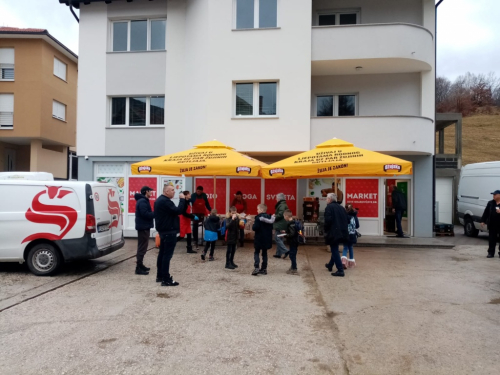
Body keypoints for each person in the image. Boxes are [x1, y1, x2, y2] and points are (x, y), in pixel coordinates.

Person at [154, 185, 186, 286]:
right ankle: (166, 279)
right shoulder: (165, 201)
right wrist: (182, 200)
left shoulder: (160, 200)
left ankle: (160, 276)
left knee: (162, 254)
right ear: (166, 191)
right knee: (166, 256)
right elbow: (178, 211)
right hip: (168, 231)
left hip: (165, 231)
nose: (174, 192)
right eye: (172, 190)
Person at [324, 193, 349, 277]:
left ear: (330, 199)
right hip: (342, 232)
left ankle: (340, 270)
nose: (326, 200)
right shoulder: (341, 208)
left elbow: (328, 221)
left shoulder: (329, 207)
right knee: (334, 248)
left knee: (334, 250)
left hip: (333, 232)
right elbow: (347, 219)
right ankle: (330, 265)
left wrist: (325, 230)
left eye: (327, 198)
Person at [134, 186, 155, 275]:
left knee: (143, 246)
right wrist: (155, 213)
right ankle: (138, 267)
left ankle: (141, 265)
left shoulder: (143, 200)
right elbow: (145, 214)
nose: (151, 192)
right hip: (143, 227)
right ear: (146, 191)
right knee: (142, 247)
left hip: (144, 226)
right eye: (150, 191)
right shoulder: (142, 201)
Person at [252, 204, 274, 276]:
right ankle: (264, 269)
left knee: (256, 252)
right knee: (264, 253)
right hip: (266, 238)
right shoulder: (270, 218)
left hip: (259, 238)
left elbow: (255, 228)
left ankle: (256, 268)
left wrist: (253, 224)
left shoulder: (258, 218)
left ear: (261, 210)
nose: (257, 211)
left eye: (257, 209)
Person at [190, 186, 212, 250]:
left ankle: (207, 239)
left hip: (202, 213)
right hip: (195, 214)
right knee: (195, 227)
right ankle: (195, 240)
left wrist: (211, 210)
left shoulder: (204, 195)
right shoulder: (193, 195)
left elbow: (207, 204)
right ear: (196, 190)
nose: (198, 192)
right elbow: (189, 202)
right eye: (197, 191)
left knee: (206, 225)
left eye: (200, 191)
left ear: (202, 191)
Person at [481, 190, 500, 258]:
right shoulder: (490, 203)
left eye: (495, 195)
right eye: (493, 195)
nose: (493, 196)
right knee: (492, 239)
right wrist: (483, 221)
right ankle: (491, 253)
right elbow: (486, 212)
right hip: (492, 224)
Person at [342, 204, 359, 269]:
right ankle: (351, 263)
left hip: (346, 234)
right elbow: (357, 225)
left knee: (345, 247)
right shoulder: (355, 216)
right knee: (351, 247)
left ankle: (343, 261)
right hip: (352, 234)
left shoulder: (344, 216)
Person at [282, 209, 299, 275]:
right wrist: (285, 232)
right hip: (294, 241)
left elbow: (292, 234)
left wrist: (285, 235)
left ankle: (294, 268)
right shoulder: (293, 223)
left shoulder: (291, 224)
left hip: (293, 242)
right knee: (292, 254)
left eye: (284, 216)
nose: (284, 218)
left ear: (286, 216)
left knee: (292, 255)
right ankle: (292, 267)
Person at [273, 193, 290, 259]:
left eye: (276, 198)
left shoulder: (282, 205)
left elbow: (280, 214)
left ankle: (285, 251)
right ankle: (278, 254)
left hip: (280, 224)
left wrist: (275, 217)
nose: (276, 199)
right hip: (283, 224)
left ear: (279, 199)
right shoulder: (283, 204)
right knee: (280, 238)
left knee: (277, 238)